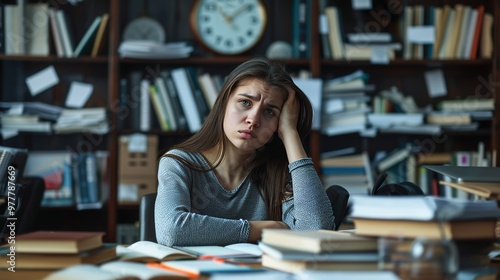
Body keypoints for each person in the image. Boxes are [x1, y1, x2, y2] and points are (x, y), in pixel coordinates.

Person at [155, 57, 335, 246]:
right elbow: (171, 231)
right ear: (224, 103)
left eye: (269, 112)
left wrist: (290, 132)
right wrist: (265, 228)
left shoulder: (279, 173)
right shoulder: (178, 163)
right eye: (246, 103)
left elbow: (317, 232)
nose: (253, 120)